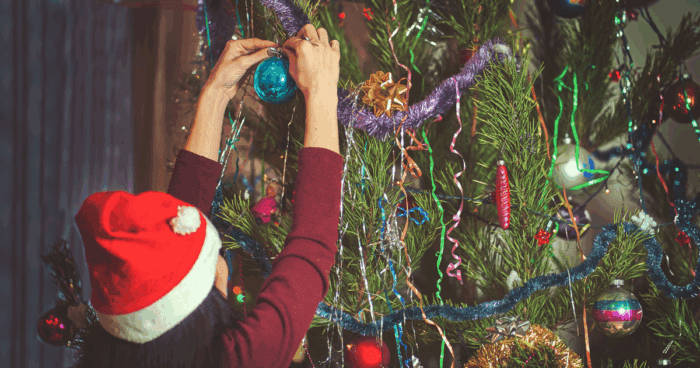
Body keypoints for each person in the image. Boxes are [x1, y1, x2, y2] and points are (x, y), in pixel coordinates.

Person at [73, 24, 342, 368]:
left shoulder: (137, 349)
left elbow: (176, 234)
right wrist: (321, 92)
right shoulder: (236, 359)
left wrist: (216, 95)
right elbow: (311, 248)